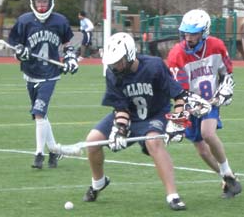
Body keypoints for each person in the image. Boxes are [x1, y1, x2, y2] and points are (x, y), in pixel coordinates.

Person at [81, 32, 197, 211]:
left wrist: (178, 122)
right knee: (92, 140)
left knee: (153, 142)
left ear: (129, 55)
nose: (115, 66)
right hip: (129, 114)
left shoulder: (154, 66)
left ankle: (172, 195)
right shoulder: (113, 74)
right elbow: (120, 107)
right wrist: (120, 129)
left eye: (118, 61)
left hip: (154, 114)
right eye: (112, 62)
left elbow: (179, 95)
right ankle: (98, 183)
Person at [167, 9, 242, 198]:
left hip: (211, 100)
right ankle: (227, 177)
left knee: (207, 133)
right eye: (186, 32)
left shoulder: (216, 46)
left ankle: (226, 171)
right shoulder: (177, 54)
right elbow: (179, 90)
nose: (189, 37)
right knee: (201, 150)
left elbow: (227, 74)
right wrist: (180, 117)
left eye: (193, 33)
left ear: (204, 32)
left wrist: (225, 91)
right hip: (190, 103)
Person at [8, 0, 79, 169]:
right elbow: (15, 45)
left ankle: (38, 154)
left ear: (51, 2)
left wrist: (71, 58)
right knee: (41, 115)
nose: (41, 6)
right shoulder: (24, 21)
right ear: (32, 2)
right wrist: (19, 52)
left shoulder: (60, 21)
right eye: (38, 3)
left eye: (45, 3)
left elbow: (68, 44)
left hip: (50, 75)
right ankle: (54, 149)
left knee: (39, 113)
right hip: (30, 73)